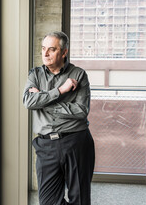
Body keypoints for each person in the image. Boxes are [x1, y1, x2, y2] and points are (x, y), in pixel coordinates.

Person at [23, 31, 95, 205]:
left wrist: (44, 101)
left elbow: (81, 111)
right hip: (46, 145)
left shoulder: (78, 75)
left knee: (80, 199)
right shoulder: (35, 74)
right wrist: (61, 91)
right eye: (43, 49)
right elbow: (28, 101)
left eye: (52, 49)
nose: (45, 54)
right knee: (48, 201)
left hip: (76, 142)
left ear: (64, 52)